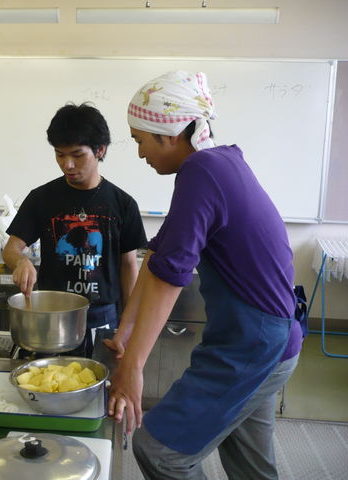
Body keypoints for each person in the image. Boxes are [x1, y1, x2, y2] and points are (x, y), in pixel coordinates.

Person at [106, 71, 305, 480]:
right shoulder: (220, 163)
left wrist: (133, 368)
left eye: (140, 140)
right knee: (251, 466)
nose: (140, 153)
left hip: (253, 345)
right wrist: (126, 329)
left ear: (169, 135)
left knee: (159, 451)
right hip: (273, 342)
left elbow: (170, 276)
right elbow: (157, 256)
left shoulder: (201, 171)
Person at [3, 103, 147, 357]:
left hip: (103, 316)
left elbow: (128, 266)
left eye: (77, 155)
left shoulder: (123, 204)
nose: (67, 164)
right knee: (49, 378)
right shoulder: (42, 198)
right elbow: (11, 249)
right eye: (59, 155)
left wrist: (129, 324)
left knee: (99, 379)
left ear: (100, 150)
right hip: (53, 316)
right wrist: (21, 261)